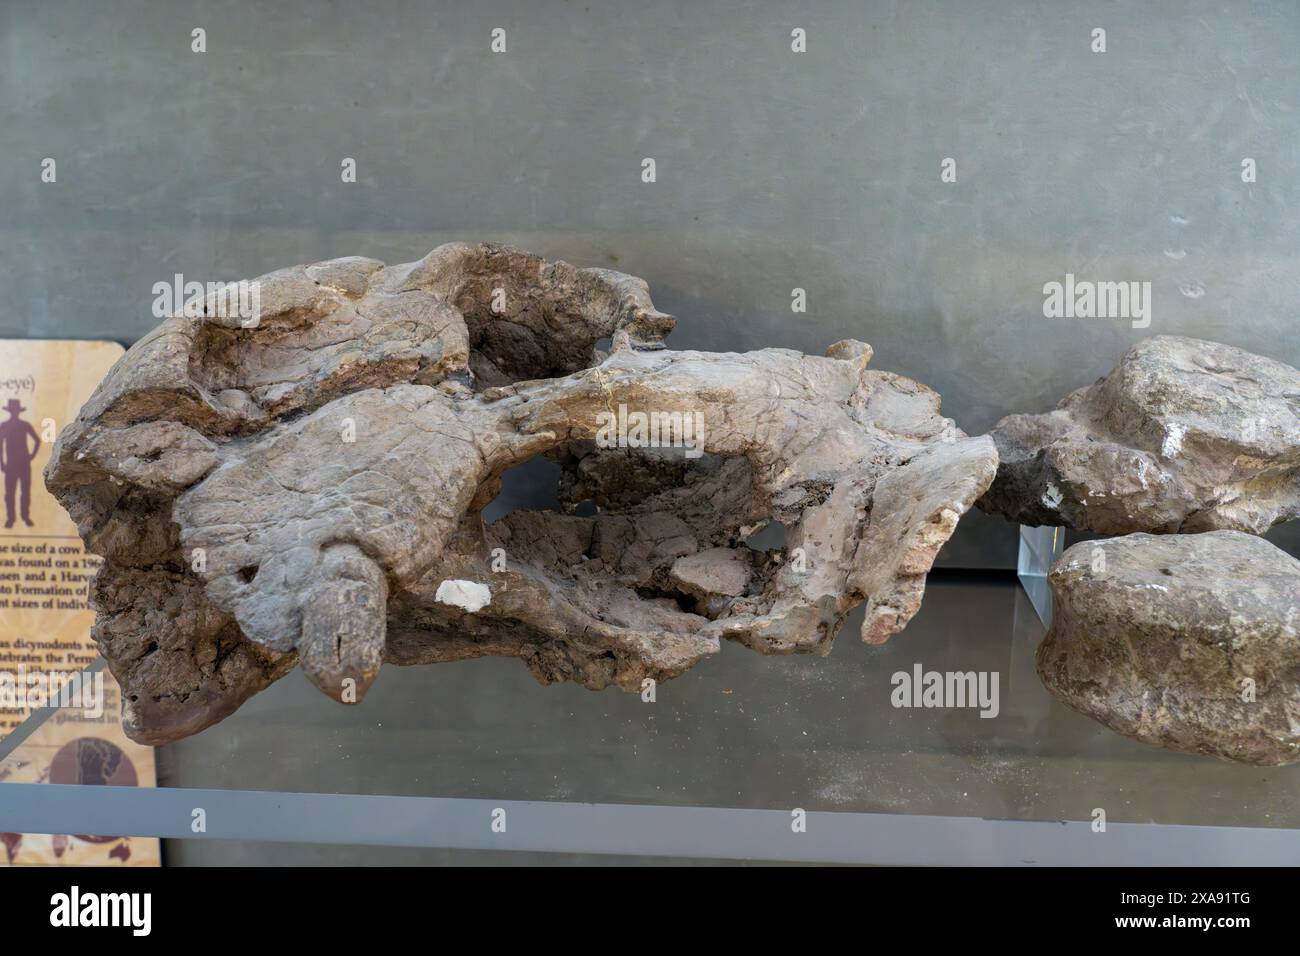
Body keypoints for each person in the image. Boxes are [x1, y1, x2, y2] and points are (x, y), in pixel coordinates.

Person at [0, 398, 41, 528]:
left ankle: (25, 516)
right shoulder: (4, 426)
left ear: (18, 411)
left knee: (25, 492)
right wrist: (2, 463)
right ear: (11, 411)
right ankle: (11, 518)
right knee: (10, 493)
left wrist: (32, 455)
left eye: (15, 410)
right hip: (11, 464)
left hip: (23, 464)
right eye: (13, 410)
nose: (14, 412)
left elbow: (37, 440)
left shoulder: (24, 425)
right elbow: (0, 446)